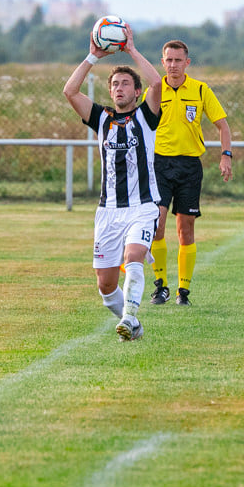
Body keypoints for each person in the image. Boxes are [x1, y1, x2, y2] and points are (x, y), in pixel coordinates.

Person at [63, 25, 162, 341]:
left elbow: (157, 83)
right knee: (106, 285)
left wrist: (132, 50)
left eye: (126, 84)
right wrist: (93, 55)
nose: (119, 88)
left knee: (134, 257)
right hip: (108, 211)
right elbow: (70, 91)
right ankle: (133, 324)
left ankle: (130, 318)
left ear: (136, 92)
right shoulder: (102, 118)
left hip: (142, 206)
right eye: (115, 84)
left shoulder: (146, 117)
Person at [147, 40, 233, 306]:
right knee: (157, 224)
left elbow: (223, 126)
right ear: (162, 63)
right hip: (159, 164)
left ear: (187, 62)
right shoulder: (154, 90)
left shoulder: (200, 89)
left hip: (189, 166)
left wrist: (225, 155)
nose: (173, 65)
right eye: (168, 60)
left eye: (178, 60)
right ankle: (160, 286)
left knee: (186, 229)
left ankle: (183, 291)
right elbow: (141, 127)